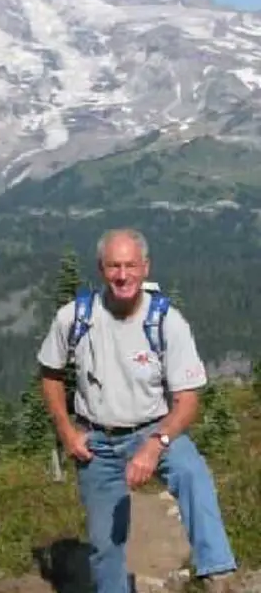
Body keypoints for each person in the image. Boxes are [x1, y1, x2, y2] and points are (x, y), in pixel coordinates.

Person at [36, 228, 238, 593]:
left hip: (155, 427)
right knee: (104, 545)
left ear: (145, 268)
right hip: (94, 439)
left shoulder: (166, 322)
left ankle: (217, 572)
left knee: (191, 472)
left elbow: (188, 400)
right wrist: (66, 432)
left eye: (130, 265)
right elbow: (49, 375)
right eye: (114, 266)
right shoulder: (75, 317)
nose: (122, 275)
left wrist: (155, 443)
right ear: (101, 269)